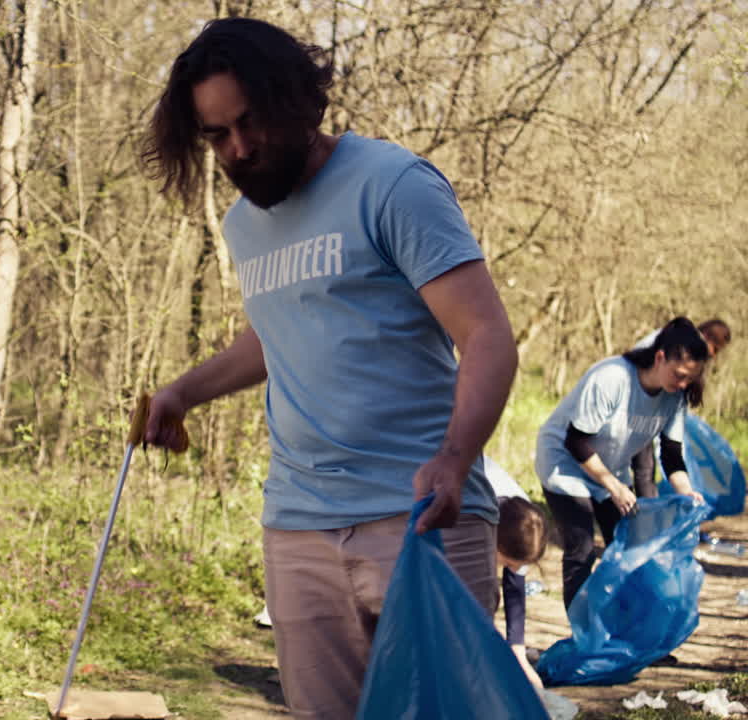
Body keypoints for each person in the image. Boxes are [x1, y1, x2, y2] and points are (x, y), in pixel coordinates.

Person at [139, 18, 518, 720]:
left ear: (297, 100)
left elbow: (487, 334)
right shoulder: (244, 227)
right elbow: (274, 337)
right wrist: (181, 393)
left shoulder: (392, 184)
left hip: (419, 519)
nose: (240, 149)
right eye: (217, 135)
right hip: (299, 528)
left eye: (250, 122)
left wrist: (455, 461)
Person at [536, 317, 707, 613]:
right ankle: (585, 636)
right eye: (679, 375)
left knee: (631, 547)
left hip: (608, 470)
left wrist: (687, 492)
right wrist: (614, 486)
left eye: (689, 379)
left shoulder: (674, 397)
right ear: (660, 356)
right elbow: (576, 441)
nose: (682, 384)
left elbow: (671, 454)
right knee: (582, 549)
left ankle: (630, 635)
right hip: (564, 464)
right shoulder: (612, 378)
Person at [630, 318, 731, 498]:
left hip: (652, 416)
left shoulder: (677, 391)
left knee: (646, 468)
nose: (713, 356)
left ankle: (647, 514)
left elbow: (671, 450)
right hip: (634, 415)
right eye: (714, 349)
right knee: (643, 469)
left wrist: (686, 492)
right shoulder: (671, 344)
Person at [483, 457, 549, 691]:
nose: (512, 570)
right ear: (494, 543)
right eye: (509, 563)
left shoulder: (527, 526)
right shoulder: (474, 518)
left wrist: (519, 657)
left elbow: (514, 592)